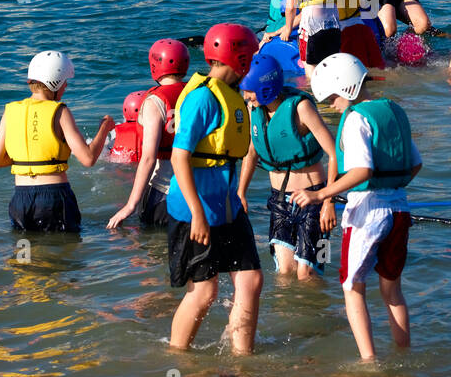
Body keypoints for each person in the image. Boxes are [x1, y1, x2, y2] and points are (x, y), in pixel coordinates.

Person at [292, 53, 421, 362]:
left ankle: (369, 361)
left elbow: (361, 172)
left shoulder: (355, 118)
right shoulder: (394, 111)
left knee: (352, 287)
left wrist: (321, 195)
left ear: (344, 88)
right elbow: (415, 164)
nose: (333, 104)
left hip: (367, 211)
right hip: (400, 209)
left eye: (333, 97)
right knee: (393, 290)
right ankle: (404, 356)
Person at [167, 23, 263, 354]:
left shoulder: (234, 97)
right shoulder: (202, 99)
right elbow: (180, 158)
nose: (251, 64)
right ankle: (177, 358)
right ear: (235, 57)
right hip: (195, 211)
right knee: (204, 292)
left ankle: (242, 358)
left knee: (250, 280)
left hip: (227, 206)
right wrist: (197, 214)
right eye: (248, 57)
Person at [0, 51, 114, 234]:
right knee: (63, 256)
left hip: (21, 200)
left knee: (25, 254)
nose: (66, 86)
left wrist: (30, 156)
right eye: (64, 82)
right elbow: (88, 159)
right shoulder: (60, 111)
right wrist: (104, 128)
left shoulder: (10, 112)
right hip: (54, 197)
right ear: (54, 83)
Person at [237, 54, 338, 279]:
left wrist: (329, 201)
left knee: (310, 272)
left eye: (250, 90)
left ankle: (325, 309)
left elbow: (334, 154)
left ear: (266, 88)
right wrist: (241, 193)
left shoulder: (301, 108)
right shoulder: (254, 110)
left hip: (314, 200)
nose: (246, 96)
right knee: (284, 271)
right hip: (280, 201)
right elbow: (250, 154)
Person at [108, 39, 190, 230]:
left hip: (164, 192)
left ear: (154, 65)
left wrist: (130, 205)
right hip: (195, 189)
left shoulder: (155, 101)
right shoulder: (196, 92)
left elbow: (148, 158)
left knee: (154, 254)